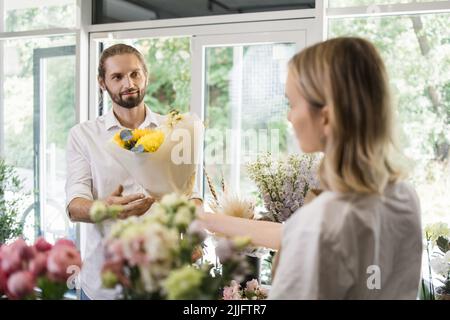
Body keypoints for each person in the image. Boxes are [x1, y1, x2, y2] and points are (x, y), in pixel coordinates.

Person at [198, 37, 422, 299]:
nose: (289, 116)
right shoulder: (404, 196)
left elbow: (308, 235)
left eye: (292, 104)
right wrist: (205, 219)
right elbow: (291, 235)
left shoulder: (321, 221)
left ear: (326, 117)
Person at [65, 44, 202, 300]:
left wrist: (192, 230)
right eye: (117, 77)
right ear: (102, 83)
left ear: (146, 75)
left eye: (135, 74)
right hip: (106, 286)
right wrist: (107, 208)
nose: (129, 83)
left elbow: (190, 194)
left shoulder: (175, 130)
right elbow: (74, 206)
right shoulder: (83, 136)